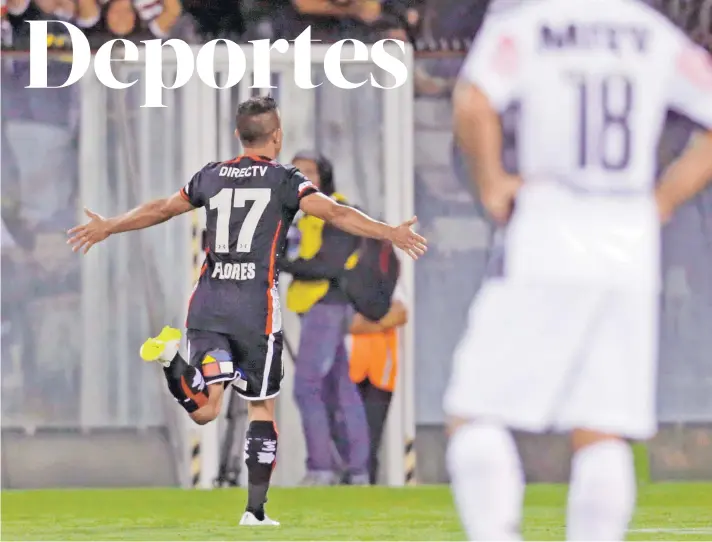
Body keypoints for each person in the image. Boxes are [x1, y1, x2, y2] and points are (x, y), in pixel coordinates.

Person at [66, 95, 427, 526]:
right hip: (255, 309)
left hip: (209, 303)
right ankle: (255, 512)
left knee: (205, 409)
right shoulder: (285, 180)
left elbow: (162, 208)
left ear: (239, 136)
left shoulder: (212, 176)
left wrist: (109, 225)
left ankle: (170, 359)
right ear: (276, 137)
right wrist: (389, 232)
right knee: (261, 406)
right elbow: (333, 212)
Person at [445, 1, 712, 540]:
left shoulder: (529, 24)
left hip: (552, 221)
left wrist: (493, 183)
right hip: (629, 234)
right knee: (602, 428)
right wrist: (662, 199)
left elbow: (473, 101)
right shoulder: (651, 32)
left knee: (472, 410)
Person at [280, 152, 371, 486]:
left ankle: (321, 468)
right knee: (339, 386)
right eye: (296, 172)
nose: (301, 178)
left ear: (324, 176)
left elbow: (326, 265)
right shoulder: (299, 214)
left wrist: (277, 262)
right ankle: (356, 470)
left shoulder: (337, 211)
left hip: (328, 304)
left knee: (306, 387)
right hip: (313, 306)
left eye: (309, 172)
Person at [348, 298, 408, 484]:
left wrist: (364, 324)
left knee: (371, 441)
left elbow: (400, 314)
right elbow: (344, 323)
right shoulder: (343, 277)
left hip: (381, 371)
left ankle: (365, 490)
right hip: (347, 369)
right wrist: (380, 322)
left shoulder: (389, 276)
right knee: (346, 440)